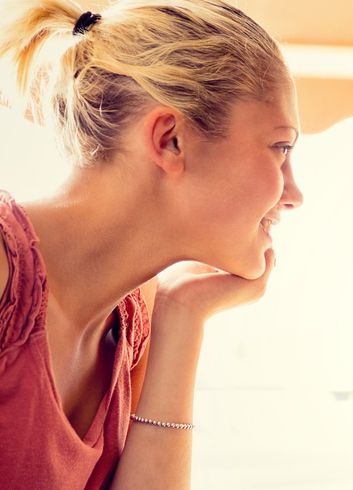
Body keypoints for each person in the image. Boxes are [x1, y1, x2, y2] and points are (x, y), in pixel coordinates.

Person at [0, 1, 302, 488]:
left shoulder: (132, 319)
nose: (295, 194)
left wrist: (182, 320)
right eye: (280, 148)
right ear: (170, 140)